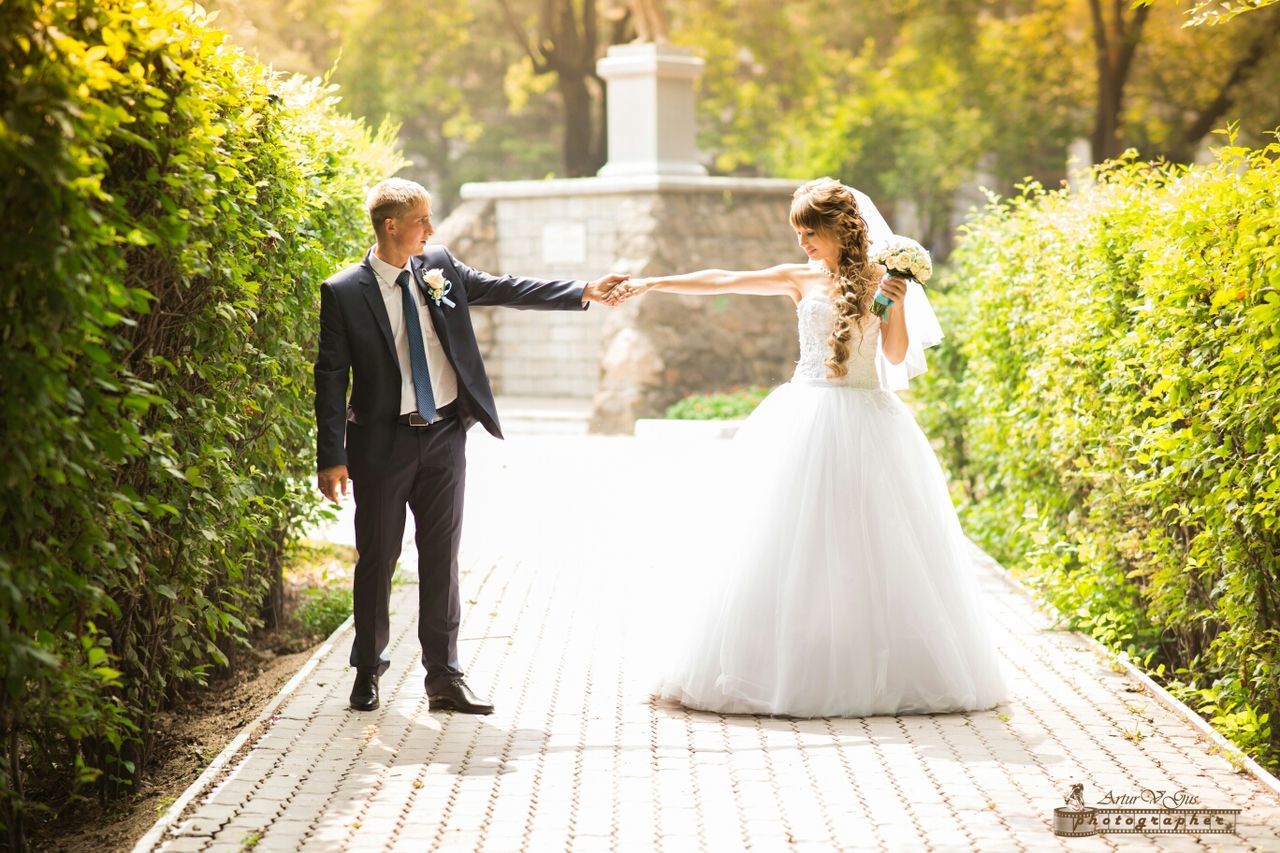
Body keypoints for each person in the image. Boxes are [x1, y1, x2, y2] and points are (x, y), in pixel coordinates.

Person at [608, 178, 1008, 717]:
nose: (803, 244)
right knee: (781, 543)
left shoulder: (882, 279)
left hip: (868, 422)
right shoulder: (800, 278)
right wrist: (654, 282)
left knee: (864, 549)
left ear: (836, 228)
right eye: (798, 234)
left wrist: (894, 301)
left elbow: (894, 356)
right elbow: (726, 280)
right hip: (803, 419)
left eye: (809, 233)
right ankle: (782, 664)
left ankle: (867, 667)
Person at [314, 178, 627, 715]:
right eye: (421, 221)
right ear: (391, 226)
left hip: (444, 439)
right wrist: (332, 455)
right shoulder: (343, 292)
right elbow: (329, 376)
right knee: (378, 560)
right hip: (381, 445)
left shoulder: (438, 266)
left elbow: (506, 288)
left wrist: (583, 290)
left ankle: (445, 679)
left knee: (442, 558)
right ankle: (367, 671)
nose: (431, 230)